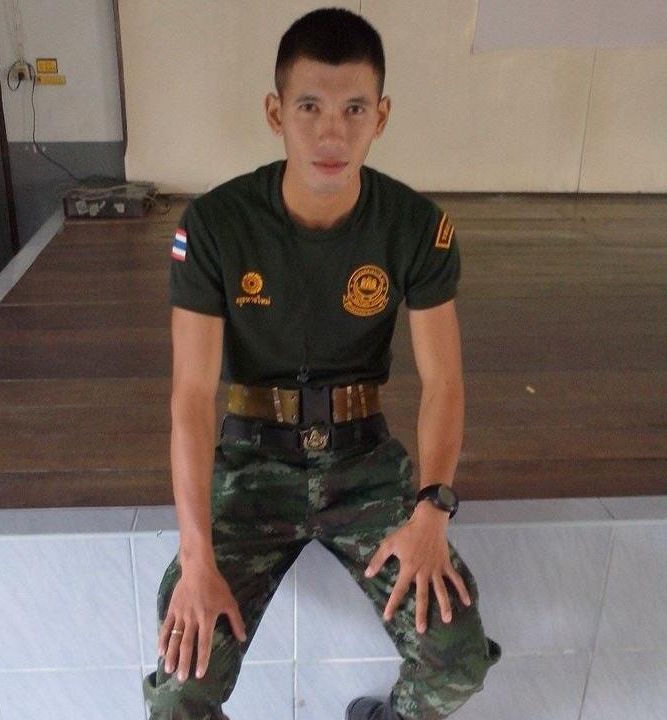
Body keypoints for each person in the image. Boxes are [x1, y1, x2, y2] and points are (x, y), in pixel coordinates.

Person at [143, 7, 502, 720]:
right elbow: (190, 397)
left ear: (381, 116)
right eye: (309, 107)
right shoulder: (215, 226)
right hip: (251, 465)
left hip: (363, 462)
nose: (331, 133)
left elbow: (444, 382)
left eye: (354, 109)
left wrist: (432, 509)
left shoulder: (415, 227)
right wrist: (196, 557)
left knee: (456, 661)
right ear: (276, 112)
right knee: (181, 691)